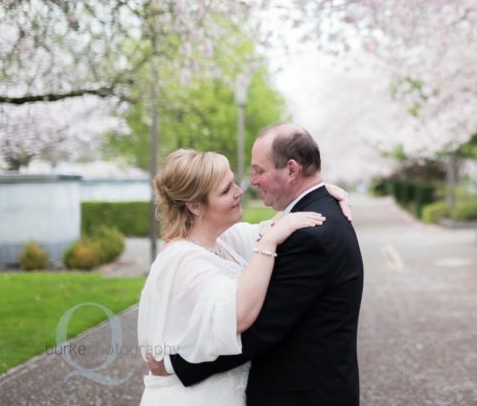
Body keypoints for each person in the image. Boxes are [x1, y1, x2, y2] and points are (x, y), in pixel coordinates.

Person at [148, 123, 365, 406]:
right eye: (227, 189)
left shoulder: (310, 234)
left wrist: (177, 365)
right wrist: (320, 190)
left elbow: (262, 330)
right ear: (195, 205)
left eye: (259, 171)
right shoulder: (193, 254)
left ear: (291, 170)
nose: (249, 184)